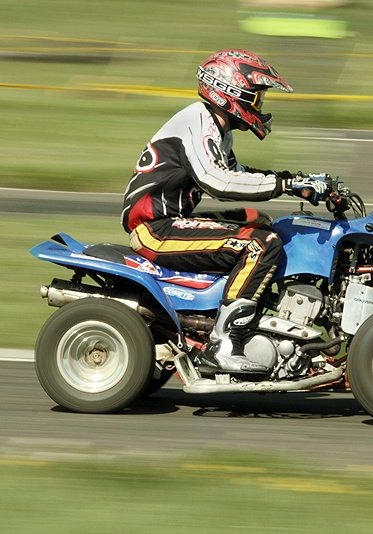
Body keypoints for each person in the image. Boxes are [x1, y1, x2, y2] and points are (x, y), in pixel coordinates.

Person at [121, 49, 328, 374]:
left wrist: (298, 181)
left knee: (261, 223)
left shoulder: (215, 130)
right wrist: (286, 184)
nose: (259, 107)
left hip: (172, 222)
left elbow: (240, 174)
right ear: (232, 92)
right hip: (155, 228)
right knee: (259, 244)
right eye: (256, 98)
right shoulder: (197, 121)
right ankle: (225, 343)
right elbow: (217, 181)